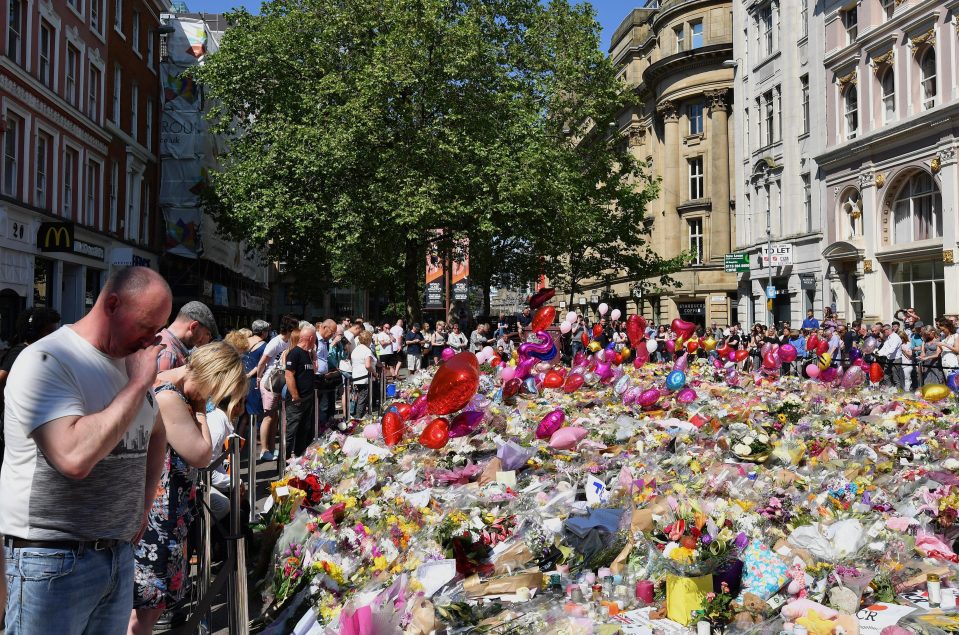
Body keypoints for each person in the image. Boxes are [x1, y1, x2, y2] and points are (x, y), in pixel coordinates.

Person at [1, 267, 171, 635]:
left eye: (158, 330)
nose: (151, 341)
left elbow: (156, 431)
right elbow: (73, 457)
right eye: (145, 326)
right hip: (52, 560)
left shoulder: (127, 361)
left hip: (116, 554)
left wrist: (143, 504)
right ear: (112, 304)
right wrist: (140, 383)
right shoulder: (48, 361)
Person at [128, 342, 246, 635]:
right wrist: (201, 411)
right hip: (159, 515)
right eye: (213, 391)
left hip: (165, 511)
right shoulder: (171, 397)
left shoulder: (169, 388)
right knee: (147, 604)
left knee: (149, 604)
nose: (210, 398)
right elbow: (202, 453)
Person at [0, 307, 61, 461]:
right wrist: (8, 402)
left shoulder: (38, 352)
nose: (54, 335)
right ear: (34, 332)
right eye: (49, 331)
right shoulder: (20, 351)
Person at [255, 320, 294, 461]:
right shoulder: (275, 342)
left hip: (280, 382)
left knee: (275, 417)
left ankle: (272, 448)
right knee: (268, 416)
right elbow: (262, 362)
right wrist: (259, 378)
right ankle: (264, 450)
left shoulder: (288, 342)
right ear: (289, 331)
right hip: (270, 382)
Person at [156, 301, 219, 371]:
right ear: (194, 327)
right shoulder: (168, 354)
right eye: (207, 334)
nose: (207, 340)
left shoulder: (162, 342)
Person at [285, 324, 317, 457]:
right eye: (314, 338)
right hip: (297, 400)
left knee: (304, 429)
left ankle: (299, 454)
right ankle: (285, 457)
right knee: (292, 429)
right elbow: (289, 375)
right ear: (310, 338)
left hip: (307, 398)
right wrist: (295, 396)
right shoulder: (294, 353)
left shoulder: (307, 354)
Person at [314, 319, 339, 431]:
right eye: (332, 332)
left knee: (328, 405)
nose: (332, 335)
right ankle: (321, 429)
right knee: (322, 407)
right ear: (324, 327)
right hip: (316, 378)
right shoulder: (314, 339)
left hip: (325, 377)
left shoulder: (325, 342)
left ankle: (327, 428)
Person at [350, 330, 377, 420]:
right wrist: (374, 373)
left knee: (359, 398)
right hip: (364, 378)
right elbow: (368, 365)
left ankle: (359, 415)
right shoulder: (366, 350)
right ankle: (358, 418)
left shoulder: (356, 349)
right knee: (363, 399)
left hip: (356, 376)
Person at [876, 324, 903, 389]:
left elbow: (892, 350)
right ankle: (890, 390)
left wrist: (882, 354)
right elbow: (884, 348)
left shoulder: (896, 337)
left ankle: (898, 393)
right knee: (886, 376)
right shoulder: (888, 338)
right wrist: (877, 353)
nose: (883, 333)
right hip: (889, 359)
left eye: (883, 331)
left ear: (887, 330)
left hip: (896, 359)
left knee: (896, 378)